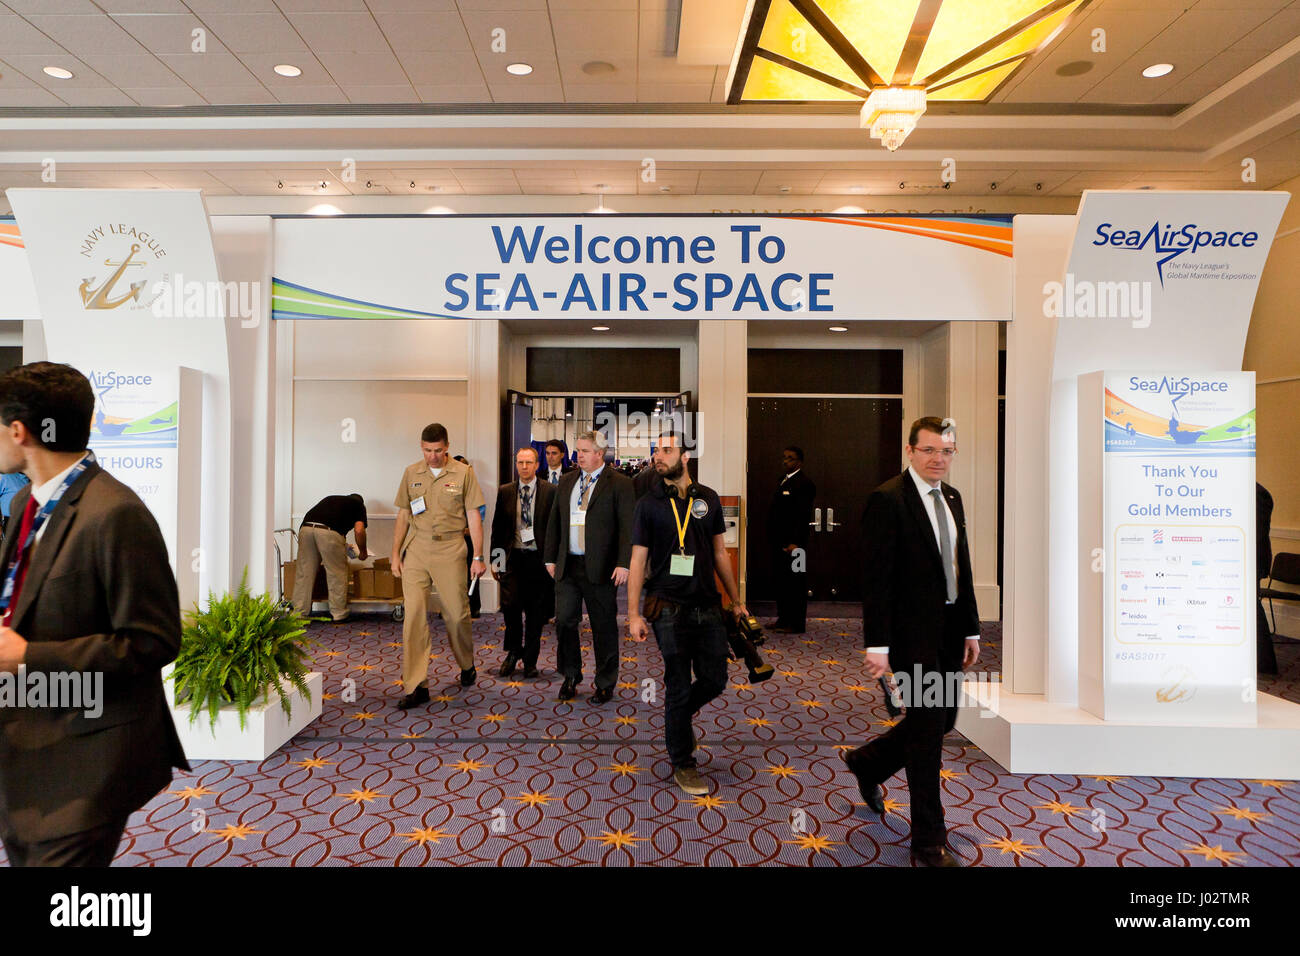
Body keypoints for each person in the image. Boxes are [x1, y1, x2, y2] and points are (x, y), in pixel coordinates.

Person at [0, 361, 188, 866]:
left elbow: (153, 640)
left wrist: (28, 655)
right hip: (27, 750)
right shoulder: (25, 505)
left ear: (19, 432)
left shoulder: (116, 514)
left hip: (86, 761)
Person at [844, 416, 979, 868]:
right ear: (910, 451)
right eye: (929, 451)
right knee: (927, 738)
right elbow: (876, 579)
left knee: (939, 722)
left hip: (948, 632)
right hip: (908, 637)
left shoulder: (953, 497)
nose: (939, 459)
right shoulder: (887, 500)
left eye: (946, 451)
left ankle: (870, 762)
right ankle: (927, 841)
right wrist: (877, 644)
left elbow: (961, 567)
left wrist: (971, 627)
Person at [628, 432, 748, 795]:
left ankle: (676, 718)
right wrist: (633, 614)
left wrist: (736, 599)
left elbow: (719, 554)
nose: (658, 456)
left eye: (666, 450)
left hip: (708, 606)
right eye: (655, 451)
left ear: (685, 456)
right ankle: (684, 761)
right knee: (678, 684)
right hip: (667, 608)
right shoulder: (648, 504)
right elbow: (637, 560)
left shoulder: (707, 499)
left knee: (715, 679)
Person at [392, 423, 487, 707]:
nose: (431, 456)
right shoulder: (411, 473)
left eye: (437, 451)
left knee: (457, 615)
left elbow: (474, 516)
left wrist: (478, 556)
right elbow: (403, 515)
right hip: (418, 548)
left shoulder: (463, 473)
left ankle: (466, 663)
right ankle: (416, 684)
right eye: (426, 450)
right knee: (414, 617)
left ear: (446, 447)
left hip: (450, 548)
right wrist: (395, 553)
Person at [545, 430, 634, 703]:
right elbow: (554, 521)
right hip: (568, 565)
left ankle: (605, 681)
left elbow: (627, 528)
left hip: (602, 567)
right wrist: (550, 557)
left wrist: (624, 563)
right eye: (578, 450)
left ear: (599, 454)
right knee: (565, 622)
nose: (578, 455)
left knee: (603, 626)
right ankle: (571, 675)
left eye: (584, 451)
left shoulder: (619, 483)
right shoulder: (568, 480)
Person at [490, 446, 556, 679]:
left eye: (529, 462)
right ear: (516, 464)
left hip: (538, 561)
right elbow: (497, 528)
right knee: (511, 609)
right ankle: (513, 652)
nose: (524, 467)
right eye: (520, 462)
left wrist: (553, 560)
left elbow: (554, 530)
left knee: (536, 613)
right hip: (512, 558)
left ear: (537, 465)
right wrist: (496, 560)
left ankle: (530, 660)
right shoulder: (505, 491)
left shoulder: (550, 491)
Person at [293, 492, 367, 624]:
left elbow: (324, 525)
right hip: (328, 532)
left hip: (306, 529)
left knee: (304, 573)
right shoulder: (359, 505)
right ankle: (339, 614)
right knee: (336, 574)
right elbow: (359, 530)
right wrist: (363, 551)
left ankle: (299, 613)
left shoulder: (332, 499)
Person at [768, 445, 816, 634]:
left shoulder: (804, 483)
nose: (785, 461)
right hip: (780, 543)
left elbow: (802, 516)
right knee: (782, 582)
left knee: (795, 584)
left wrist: (795, 542)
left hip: (796, 546)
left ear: (799, 462)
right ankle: (783, 619)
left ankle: (796, 624)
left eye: (790, 458)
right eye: (784, 457)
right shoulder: (782, 481)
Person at [455, 455, 487, 619]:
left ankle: (474, 607)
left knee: (472, 573)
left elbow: (479, 519)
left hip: (468, 540)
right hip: (451, 543)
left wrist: (463, 530)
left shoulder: (475, 491)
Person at [1257, 482, 1278, 675]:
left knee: (1251, 609)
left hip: (1248, 562)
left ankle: (1264, 665)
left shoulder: (1257, 493)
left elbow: (1256, 535)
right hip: (1244, 561)